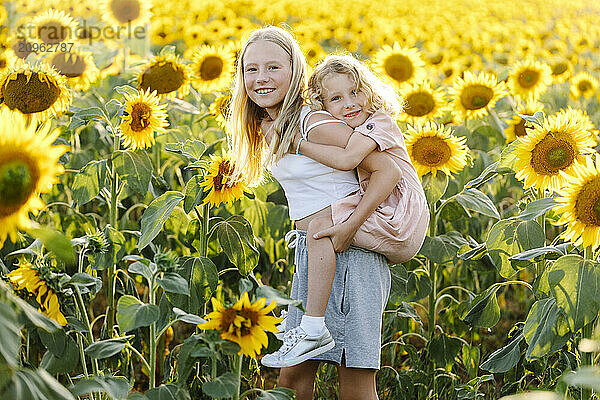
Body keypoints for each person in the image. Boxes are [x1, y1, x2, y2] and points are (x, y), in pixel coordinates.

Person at [229, 26, 404, 400]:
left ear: (294, 71)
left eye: (273, 68)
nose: (261, 79)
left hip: (348, 256)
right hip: (316, 257)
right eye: (251, 69)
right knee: (292, 381)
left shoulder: (313, 122)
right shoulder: (276, 126)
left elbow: (387, 170)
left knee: (355, 387)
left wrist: (348, 228)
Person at [260, 54, 429, 368]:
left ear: (370, 91)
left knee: (320, 227)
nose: (350, 103)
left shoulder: (377, 122)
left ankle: (312, 327)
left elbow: (347, 161)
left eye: (356, 92)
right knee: (319, 229)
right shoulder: (356, 124)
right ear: (323, 105)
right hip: (388, 207)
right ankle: (309, 325)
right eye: (336, 98)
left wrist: (296, 143)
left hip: (402, 214)